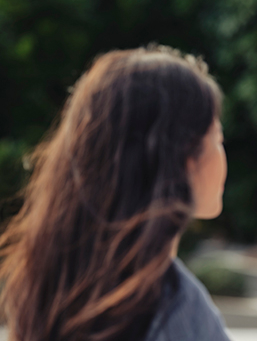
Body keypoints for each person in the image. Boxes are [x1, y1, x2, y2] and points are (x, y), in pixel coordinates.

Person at [0, 45, 231, 341]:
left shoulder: (54, 284)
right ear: (184, 158)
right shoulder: (178, 310)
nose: (223, 156)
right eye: (217, 138)